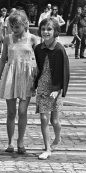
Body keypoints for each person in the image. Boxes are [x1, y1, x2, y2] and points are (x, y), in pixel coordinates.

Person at [0, 9, 39, 154]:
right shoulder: (8, 39)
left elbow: (39, 60)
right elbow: (2, 60)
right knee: (11, 112)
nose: (14, 30)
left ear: (25, 24)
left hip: (27, 76)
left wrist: (38, 79)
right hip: (11, 76)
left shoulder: (33, 39)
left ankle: (21, 142)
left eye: (17, 27)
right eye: (12, 27)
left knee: (22, 111)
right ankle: (10, 142)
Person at [33, 17, 70, 160]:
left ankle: (58, 137)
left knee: (55, 121)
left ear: (55, 32)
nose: (45, 32)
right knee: (43, 118)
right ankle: (47, 149)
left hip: (55, 88)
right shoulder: (38, 49)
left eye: (49, 29)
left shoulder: (59, 49)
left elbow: (64, 71)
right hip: (43, 86)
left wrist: (58, 89)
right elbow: (36, 68)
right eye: (43, 29)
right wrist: (33, 83)